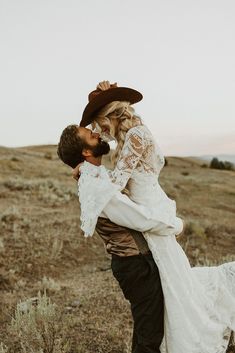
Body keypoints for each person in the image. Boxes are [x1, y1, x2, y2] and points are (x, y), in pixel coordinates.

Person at [71, 81, 235, 353]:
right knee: (172, 294)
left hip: (150, 214)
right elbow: (115, 187)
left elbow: (115, 184)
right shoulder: (128, 136)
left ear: (109, 115)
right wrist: (86, 170)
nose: (98, 132)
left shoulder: (136, 136)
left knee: (175, 295)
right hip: (146, 217)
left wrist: (85, 171)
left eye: (98, 124)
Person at [57, 125, 184, 353]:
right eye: (90, 135)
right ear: (86, 152)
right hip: (136, 265)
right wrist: (176, 225)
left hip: (135, 263)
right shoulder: (95, 185)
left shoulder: (93, 175)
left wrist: (103, 96)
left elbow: (105, 136)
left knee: (147, 329)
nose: (96, 133)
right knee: (150, 337)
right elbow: (140, 219)